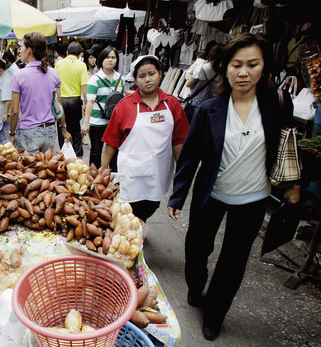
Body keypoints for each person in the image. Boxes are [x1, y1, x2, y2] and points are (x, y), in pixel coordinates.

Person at [167, 33, 301, 340]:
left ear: (264, 67)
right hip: (211, 194)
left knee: (233, 262)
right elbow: (190, 158)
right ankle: (195, 284)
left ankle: (214, 313)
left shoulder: (277, 105)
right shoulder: (208, 109)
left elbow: (286, 146)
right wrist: (178, 196)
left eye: (252, 64)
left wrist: (293, 186)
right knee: (197, 249)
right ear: (225, 68)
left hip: (253, 198)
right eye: (236, 64)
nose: (243, 72)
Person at [101, 55, 189, 221]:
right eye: (142, 76)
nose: (148, 79)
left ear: (160, 74)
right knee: (127, 213)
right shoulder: (124, 106)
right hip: (131, 173)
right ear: (135, 79)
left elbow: (179, 142)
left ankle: (140, 227)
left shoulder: (172, 105)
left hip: (158, 172)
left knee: (150, 207)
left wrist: (181, 178)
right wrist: (102, 171)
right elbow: (112, 142)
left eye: (152, 74)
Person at [9, 32, 71, 154]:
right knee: (46, 170)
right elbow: (58, 106)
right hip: (50, 132)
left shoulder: (19, 76)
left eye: (22, 47)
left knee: (29, 171)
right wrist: (63, 129)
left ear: (30, 50)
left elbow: (15, 111)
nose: (20, 50)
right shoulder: (53, 73)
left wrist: (12, 133)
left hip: (29, 132)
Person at [82, 46, 124, 170]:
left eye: (113, 57)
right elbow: (90, 102)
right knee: (96, 151)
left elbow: (123, 101)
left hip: (114, 122)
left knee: (115, 152)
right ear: (101, 59)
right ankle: (94, 180)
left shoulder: (121, 79)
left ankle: (113, 180)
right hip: (97, 122)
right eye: (107, 57)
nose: (110, 60)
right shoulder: (94, 79)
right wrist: (86, 123)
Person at [55, 41, 89, 157]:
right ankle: (77, 155)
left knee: (62, 127)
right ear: (80, 54)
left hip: (61, 100)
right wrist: (86, 102)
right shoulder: (82, 65)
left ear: (67, 52)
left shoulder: (59, 64)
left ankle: (63, 153)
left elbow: (55, 85)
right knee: (75, 128)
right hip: (75, 100)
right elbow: (84, 86)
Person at [0, 58, 14, 145]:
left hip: (6, 116)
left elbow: (8, 98)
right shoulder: (4, 77)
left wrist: (4, 113)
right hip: (2, 115)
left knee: (6, 145)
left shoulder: (7, 78)